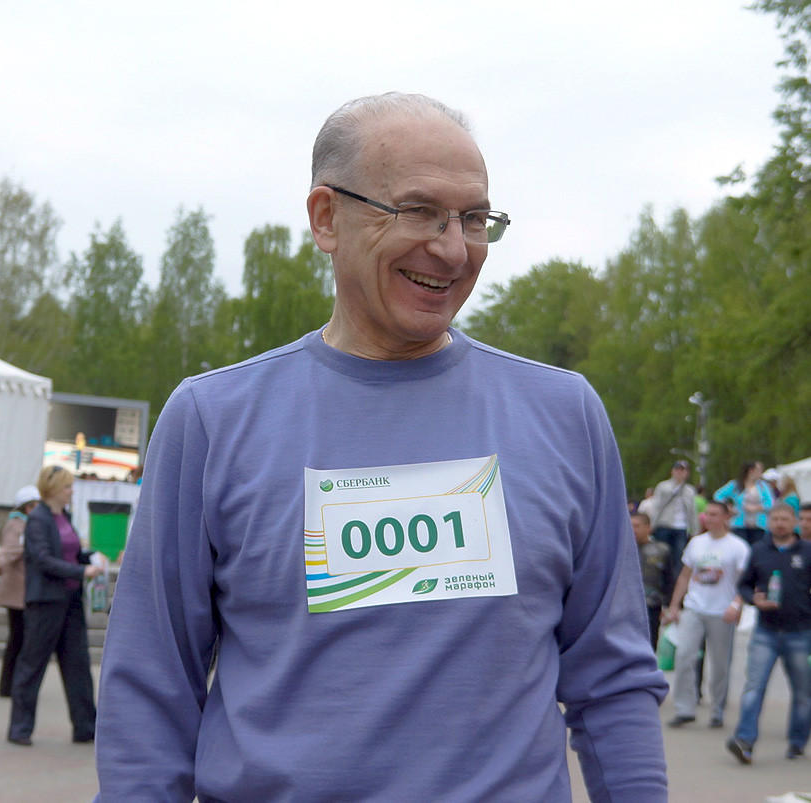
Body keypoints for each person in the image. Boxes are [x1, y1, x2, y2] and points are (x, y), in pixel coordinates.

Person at [94, 92, 668, 801]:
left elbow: (612, 679)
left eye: (475, 219)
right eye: (419, 211)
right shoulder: (214, 420)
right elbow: (151, 687)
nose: (454, 249)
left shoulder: (564, 414)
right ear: (327, 218)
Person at [6, 466, 104, 746]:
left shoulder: (65, 517)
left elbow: (71, 553)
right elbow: (43, 559)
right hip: (45, 602)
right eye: (67, 487)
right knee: (32, 665)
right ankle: (20, 729)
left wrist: (91, 556)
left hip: (71, 602)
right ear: (53, 490)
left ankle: (86, 727)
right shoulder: (37, 519)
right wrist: (80, 571)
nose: (72, 491)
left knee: (79, 665)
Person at [726, 503, 811, 763]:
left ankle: (797, 741)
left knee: (802, 692)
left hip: (800, 632)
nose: (780, 523)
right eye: (775, 519)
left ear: (794, 521)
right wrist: (754, 599)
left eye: (785, 519)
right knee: (754, 686)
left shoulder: (807, 552)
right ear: (768, 521)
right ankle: (744, 740)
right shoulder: (759, 550)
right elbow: (744, 586)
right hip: (766, 631)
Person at [662, 500, 750, 729]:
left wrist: (737, 604)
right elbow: (684, 575)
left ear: (725, 518)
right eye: (706, 515)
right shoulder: (696, 543)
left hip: (722, 612)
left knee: (720, 664)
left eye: (713, 515)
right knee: (685, 655)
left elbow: (745, 581)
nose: (708, 518)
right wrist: (674, 605)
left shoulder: (737, 547)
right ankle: (684, 708)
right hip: (695, 606)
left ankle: (717, 709)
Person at [0, 485, 40, 696]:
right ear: (29, 507)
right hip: (15, 591)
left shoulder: (27, 524)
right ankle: (7, 686)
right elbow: (9, 550)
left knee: (20, 639)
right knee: (17, 639)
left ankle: (13, 684)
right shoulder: (15, 524)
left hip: (22, 591)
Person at [631, 511, 675, 650]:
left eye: (636, 526)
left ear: (648, 528)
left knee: (649, 646)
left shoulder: (662, 550)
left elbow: (669, 580)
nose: (633, 529)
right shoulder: (622, 549)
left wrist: (667, 606)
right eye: (630, 525)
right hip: (626, 606)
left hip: (652, 606)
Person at [650, 460, 699, 571]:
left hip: (682, 527)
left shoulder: (690, 490)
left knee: (678, 556)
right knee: (661, 554)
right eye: (677, 470)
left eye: (683, 470)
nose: (680, 473)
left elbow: (692, 511)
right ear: (672, 471)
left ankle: (675, 581)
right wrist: (652, 525)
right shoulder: (663, 486)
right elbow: (657, 507)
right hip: (665, 524)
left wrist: (694, 531)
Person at [714, 460, 774, 546]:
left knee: (757, 548)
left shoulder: (763, 486)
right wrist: (727, 507)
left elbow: (771, 503)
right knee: (740, 546)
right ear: (751, 470)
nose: (761, 473)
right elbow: (718, 495)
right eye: (759, 470)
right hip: (739, 524)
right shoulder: (736, 484)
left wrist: (757, 507)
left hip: (759, 526)